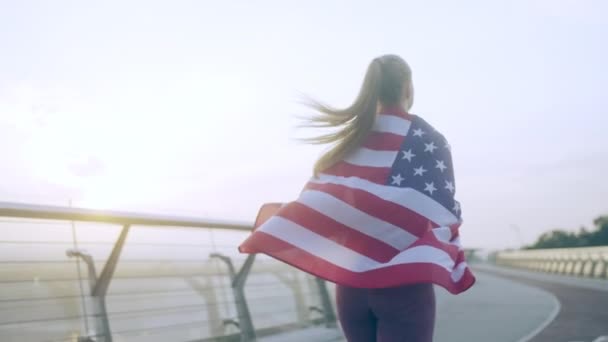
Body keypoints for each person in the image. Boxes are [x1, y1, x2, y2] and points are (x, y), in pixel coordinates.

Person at [240, 54, 475, 342]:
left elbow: (322, 202)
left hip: (350, 288)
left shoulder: (350, 139)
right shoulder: (428, 140)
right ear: (408, 89)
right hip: (404, 288)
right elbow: (442, 212)